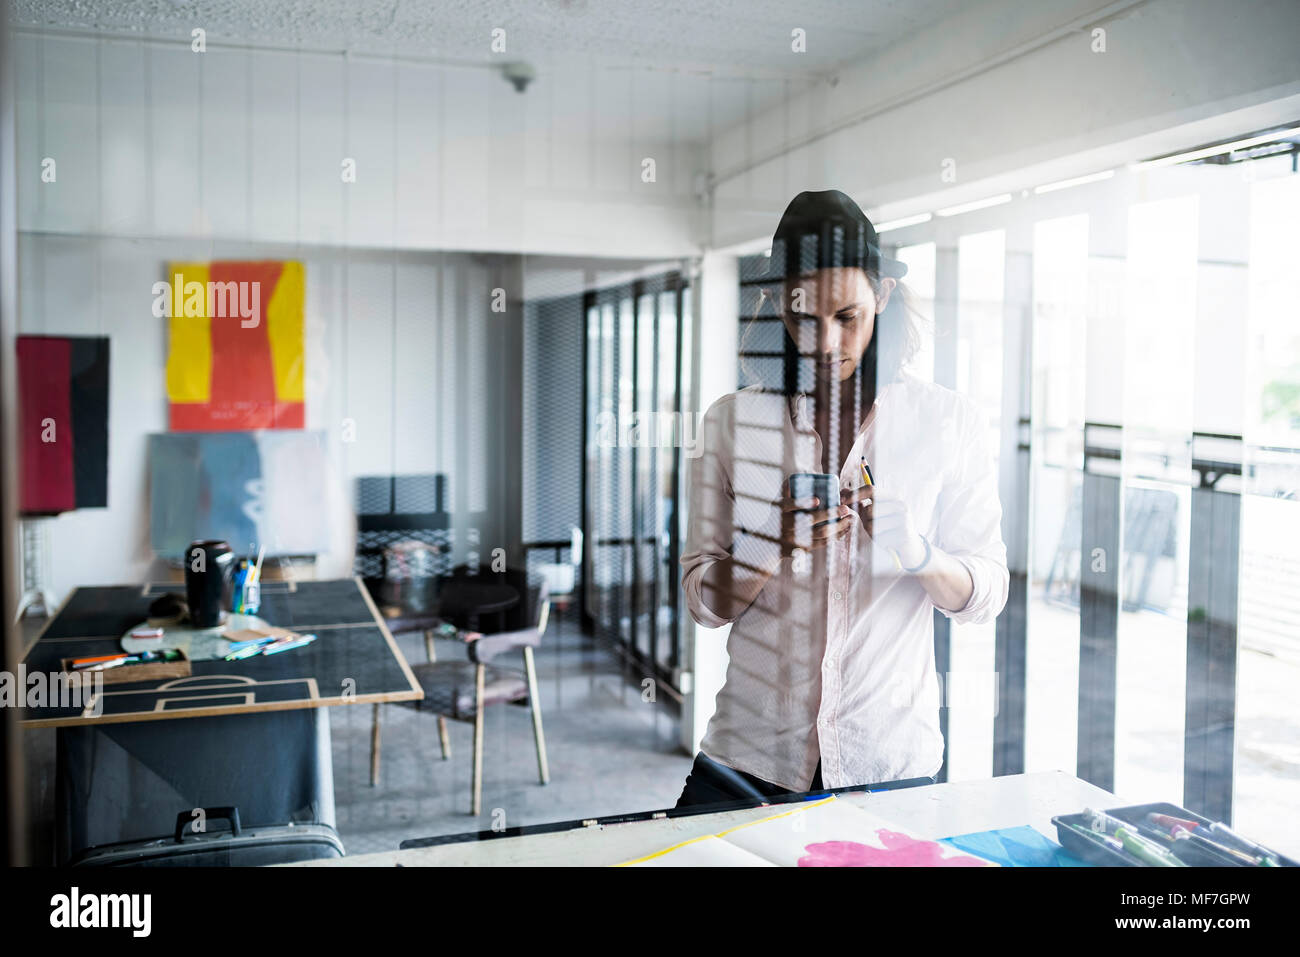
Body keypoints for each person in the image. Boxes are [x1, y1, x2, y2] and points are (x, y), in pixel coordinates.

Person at [676, 189, 1009, 807]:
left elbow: (985, 593)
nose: (825, 342)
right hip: (748, 760)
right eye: (803, 317)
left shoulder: (947, 422)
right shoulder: (728, 425)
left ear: (881, 297)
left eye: (847, 317)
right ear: (777, 303)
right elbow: (703, 603)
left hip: (888, 762)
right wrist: (769, 544)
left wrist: (916, 552)